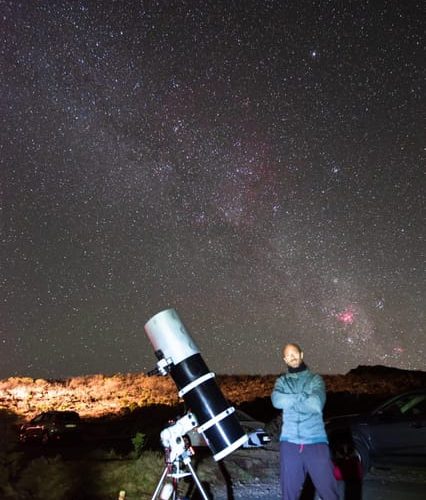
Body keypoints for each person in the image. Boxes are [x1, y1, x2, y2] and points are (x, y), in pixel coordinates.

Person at [271, 343, 339, 500]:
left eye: (294, 353)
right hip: (289, 442)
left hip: (316, 441)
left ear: (301, 354)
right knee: (289, 495)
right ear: (284, 359)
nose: (292, 357)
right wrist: (303, 396)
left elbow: (316, 403)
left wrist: (291, 398)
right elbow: (277, 401)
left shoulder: (315, 379)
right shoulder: (282, 381)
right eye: (288, 355)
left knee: (329, 492)